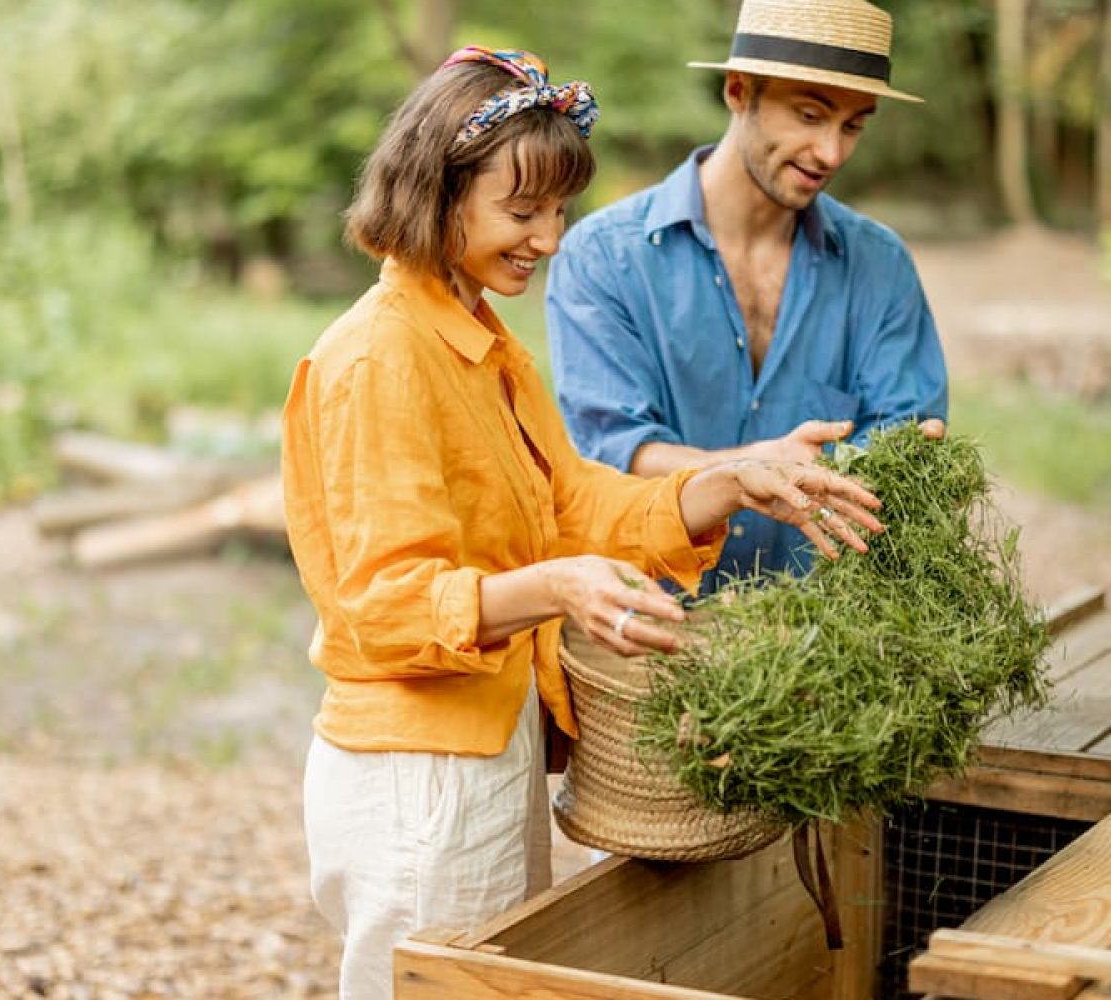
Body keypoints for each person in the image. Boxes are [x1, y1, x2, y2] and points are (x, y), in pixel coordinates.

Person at [280, 46, 886, 999]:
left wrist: (732, 480)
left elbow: (575, 502)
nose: (551, 239)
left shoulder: (485, 344)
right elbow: (384, 606)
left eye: (558, 211)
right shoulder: (377, 358)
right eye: (521, 212)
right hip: (416, 774)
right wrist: (560, 587)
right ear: (436, 194)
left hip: (494, 738)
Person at [546, 0, 950, 593]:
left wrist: (908, 455)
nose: (831, 153)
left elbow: (905, 441)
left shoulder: (880, 267)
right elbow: (614, 454)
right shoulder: (601, 258)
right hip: (652, 628)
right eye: (810, 115)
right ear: (738, 91)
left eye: (853, 125)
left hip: (829, 642)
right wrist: (750, 470)